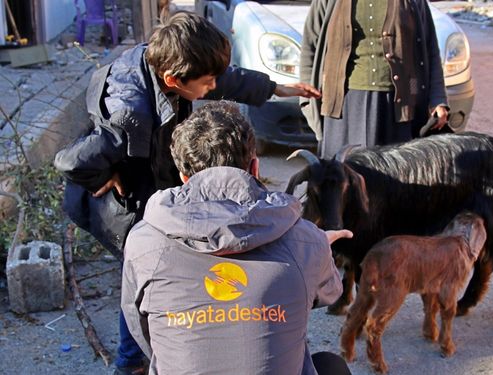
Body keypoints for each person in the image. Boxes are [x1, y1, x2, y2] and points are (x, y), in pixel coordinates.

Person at [53, 11, 320, 374]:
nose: (212, 88)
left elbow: (222, 79)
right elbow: (70, 160)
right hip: (127, 206)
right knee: (146, 275)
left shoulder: (166, 60)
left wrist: (275, 89)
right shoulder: (131, 113)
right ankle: (131, 363)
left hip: (152, 182)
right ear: (173, 79)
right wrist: (103, 172)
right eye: (207, 82)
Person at [121, 101, 353, 375]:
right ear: (255, 167)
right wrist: (317, 251)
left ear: (184, 177)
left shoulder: (143, 242)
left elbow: (141, 327)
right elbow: (330, 293)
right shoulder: (305, 240)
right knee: (330, 366)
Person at [299, 0, 449, 158]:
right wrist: (308, 99)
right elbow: (310, 45)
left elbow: (430, 46)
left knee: (394, 175)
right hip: (344, 106)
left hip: (396, 106)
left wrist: (437, 99)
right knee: (343, 174)